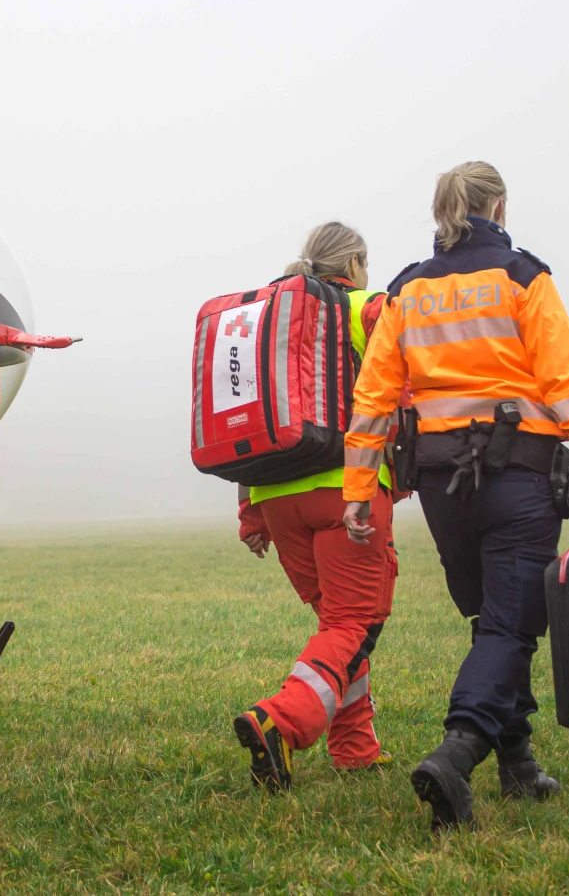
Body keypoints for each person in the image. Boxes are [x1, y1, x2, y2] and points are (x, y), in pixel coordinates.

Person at [341, 161, 569, 829]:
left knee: (493, 620)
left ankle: (518, 762)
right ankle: (457, 753)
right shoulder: (523, 276)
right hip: (518, 480)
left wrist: (359, 488)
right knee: (509, 625)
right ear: (497, 207)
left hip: (442, 489)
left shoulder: (407, 288)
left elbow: (374, 397)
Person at [232, 222, 401, 790]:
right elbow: (411, 366)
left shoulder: (273, 321)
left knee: (338, 627)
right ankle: (277, 720)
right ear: (352, 263)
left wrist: (250, 510)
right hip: (345, 491)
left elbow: (255, 412)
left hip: (275, 497)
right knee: (355, 622)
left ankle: (354, 748)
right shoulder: (362, 307)